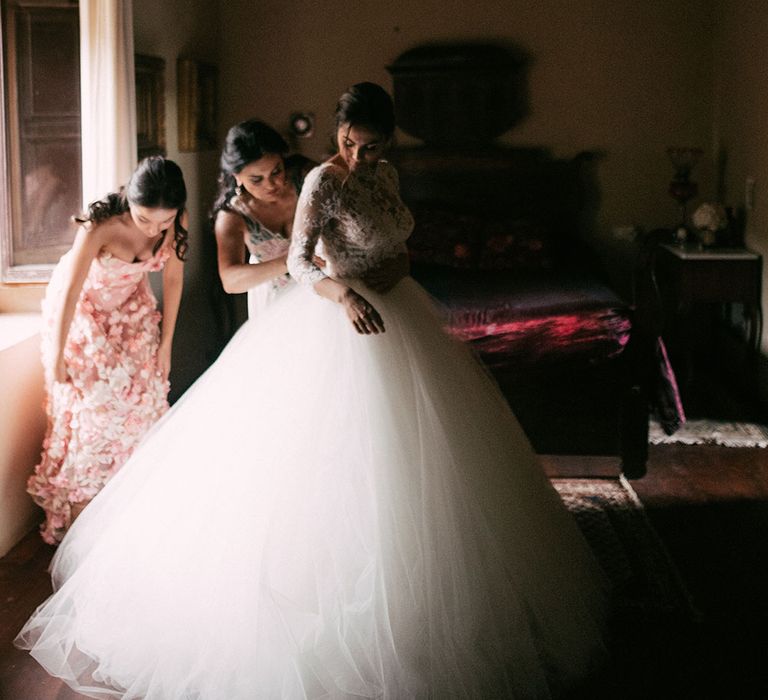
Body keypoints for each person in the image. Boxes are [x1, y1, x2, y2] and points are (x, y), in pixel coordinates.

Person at [16, 85, 607, 698]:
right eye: (261, 176)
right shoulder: (289, 194)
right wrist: (339, 279)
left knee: (412, 453)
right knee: (299, 459)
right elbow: (267, 268)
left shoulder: (372, 179)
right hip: (302, 318)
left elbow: (391, 239)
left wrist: (388, 269)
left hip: (387, 305)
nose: (275, 182)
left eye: (277, 171)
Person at [25, 156, 188, 545]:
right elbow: (69, 291)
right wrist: (57, 356)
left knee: (145, 405)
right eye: (145, 218)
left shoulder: (173, 224)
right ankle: (83, 522)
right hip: (84, 316)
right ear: (129, 199)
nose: (154, 229)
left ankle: (130, 516)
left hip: (131, 314)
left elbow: (176, 282)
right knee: (97, 418)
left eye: (163, 221)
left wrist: (166, 344)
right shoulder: (100, 227)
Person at [212, 118, 407, 323]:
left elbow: (360, 210)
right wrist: (291, 261)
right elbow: (230, 282)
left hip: (328, 290)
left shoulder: (308, 178)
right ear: (237, 177)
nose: (271, 184)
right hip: (278, 303)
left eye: (276, 171)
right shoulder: (232, 216)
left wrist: (399, 258)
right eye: (256, 179)